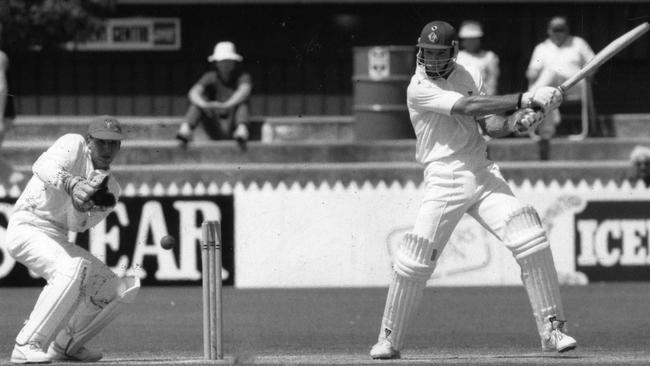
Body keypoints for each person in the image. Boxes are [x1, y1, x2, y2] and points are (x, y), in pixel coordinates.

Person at [369, 20, 576, 360]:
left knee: (530, 236)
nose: (432, 60)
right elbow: (466, 107)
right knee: (414, 261)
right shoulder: (417, 87)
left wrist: (518, 121)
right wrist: (526, 97)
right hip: (444, 176)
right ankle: (389, 338)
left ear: (453, 51)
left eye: (439, 53)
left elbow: (488, 124)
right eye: (428, 52)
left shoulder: (468, 74)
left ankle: (553, 330)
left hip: (481, 170)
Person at [3, 115, 140, 363]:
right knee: (72, 268)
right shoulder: (73, 144)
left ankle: (67, 344)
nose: (107, 149)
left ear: (119, 146)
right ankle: (26, 344)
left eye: (113, 144)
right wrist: (73, 183)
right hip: (26, 225)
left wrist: (81, 203)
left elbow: (78, 224)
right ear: (89, 141)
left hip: (57, 235)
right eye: (101, 142)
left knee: (117, 288)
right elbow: (41, 167)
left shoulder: (113, 189)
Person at [526, 16, 595, 157]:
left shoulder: (578, 43)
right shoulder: (541, 47)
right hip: (551, 89)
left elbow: (594, 63)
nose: (558, 33)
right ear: (549, 31)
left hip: (574, 85)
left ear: (567, 29)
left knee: (550, 75)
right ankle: (546, 129)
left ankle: (527, 102)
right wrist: (532, 73)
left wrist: (586, 74)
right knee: (549, 79)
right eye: (555, 30)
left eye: (561, 29)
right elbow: (531, 72)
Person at [175, 41, 252, 148]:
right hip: (213, 117)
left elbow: (244, 91)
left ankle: (242, 130)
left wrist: (227, 105)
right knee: (198, 102)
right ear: (216, 63)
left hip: (233, 117)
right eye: (222, 61)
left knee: (243, 103)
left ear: (234, 62)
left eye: (228, 61)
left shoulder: (243, 76)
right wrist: (204, 105)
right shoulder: (210, 76)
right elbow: (194, 92)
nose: (225, 64)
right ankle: (185, 130)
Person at [0, 23, 24, 185]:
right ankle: (11, 177)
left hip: (2, 113)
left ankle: (11, 176)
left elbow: (1, 86)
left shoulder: (0, 57)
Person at [456, 20, 500, 95]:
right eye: (468, 39)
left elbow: (492, 81)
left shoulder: (489, 56)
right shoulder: (457, 56)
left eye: (474, 39)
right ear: (463, 40)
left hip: (482, 98)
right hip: (461, 98)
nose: (471, 43)